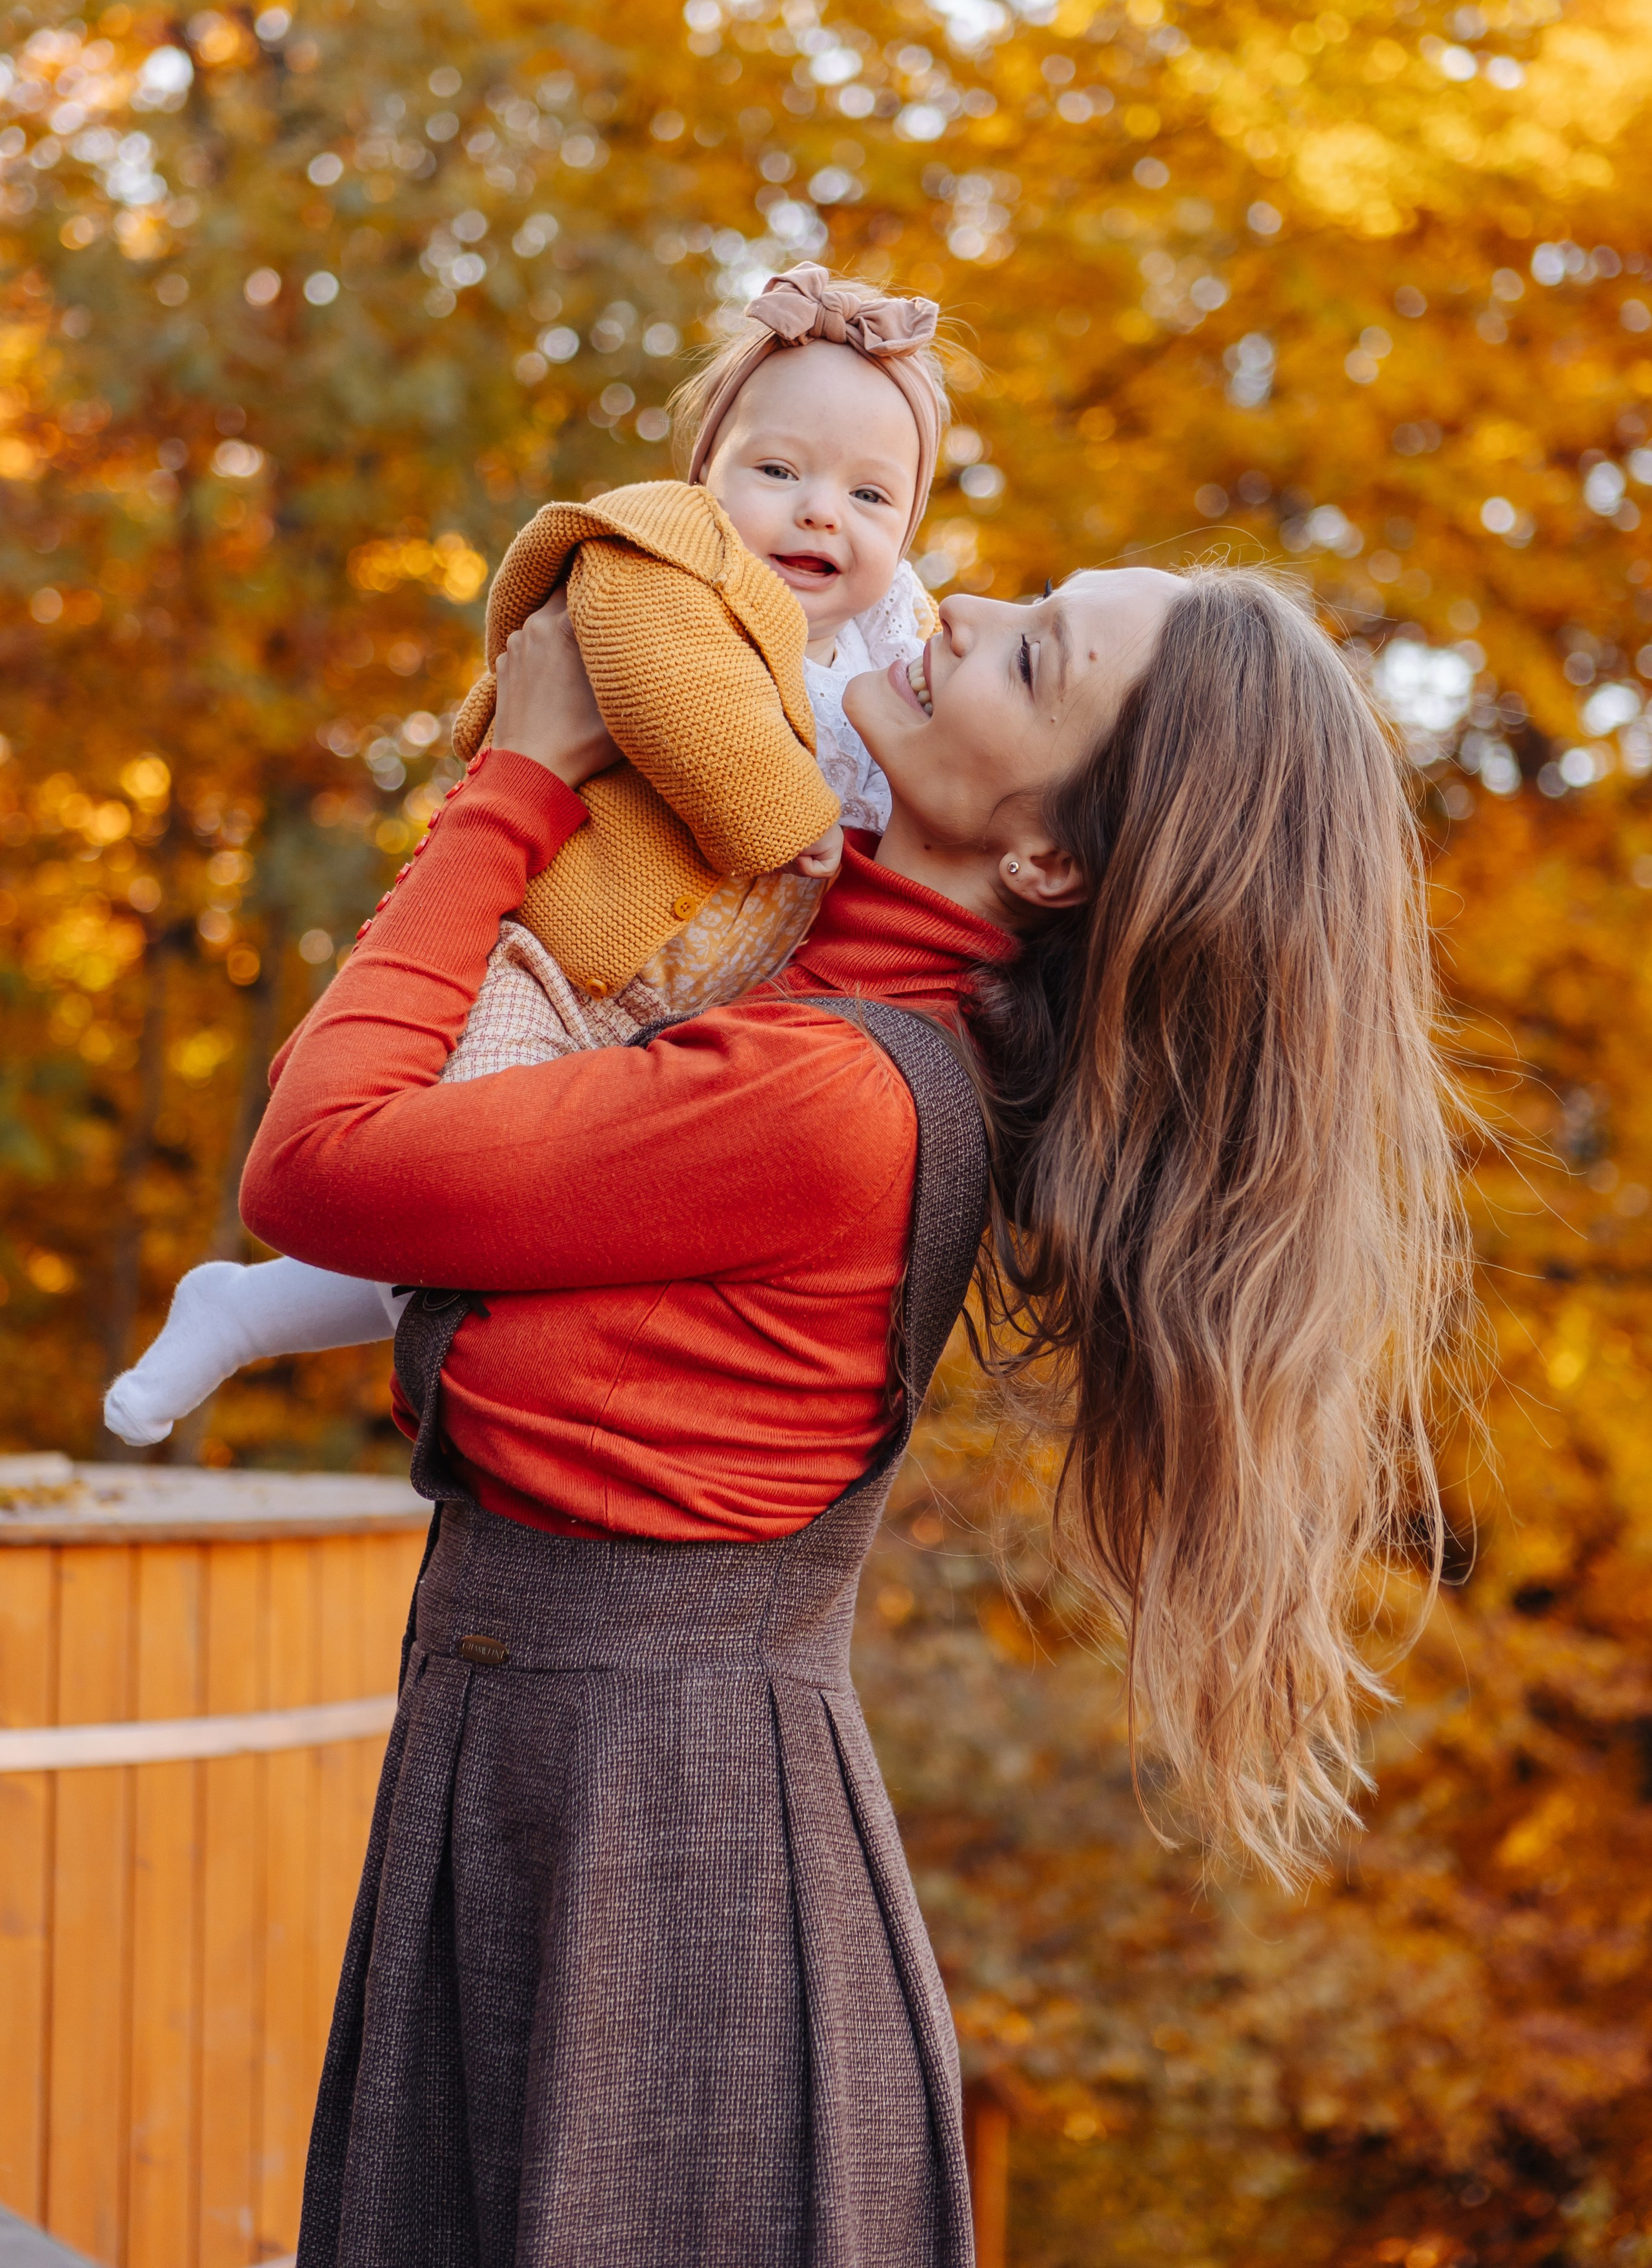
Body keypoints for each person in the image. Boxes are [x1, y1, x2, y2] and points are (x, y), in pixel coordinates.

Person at [237, 555, 1466, 2266]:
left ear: (1047, 856)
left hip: (662, 1881)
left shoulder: (835, 1100)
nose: (955, 605)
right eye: (1020, 589)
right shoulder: (830, 1007)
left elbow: (310, 1165)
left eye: (1029, 656)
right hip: (583, 1810)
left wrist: (510, 780)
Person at [103, 263, 949, 1449]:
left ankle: (247, 1308)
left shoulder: (888, 646)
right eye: (780, 470)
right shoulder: (664, 554)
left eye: (872, 495)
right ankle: (270, 1324)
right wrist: (783, 812)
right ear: (706, 467)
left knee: (547, 1208)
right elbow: (667, 683)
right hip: (551, 959)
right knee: (459, 1173)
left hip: (678, 1023)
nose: (823, 513)